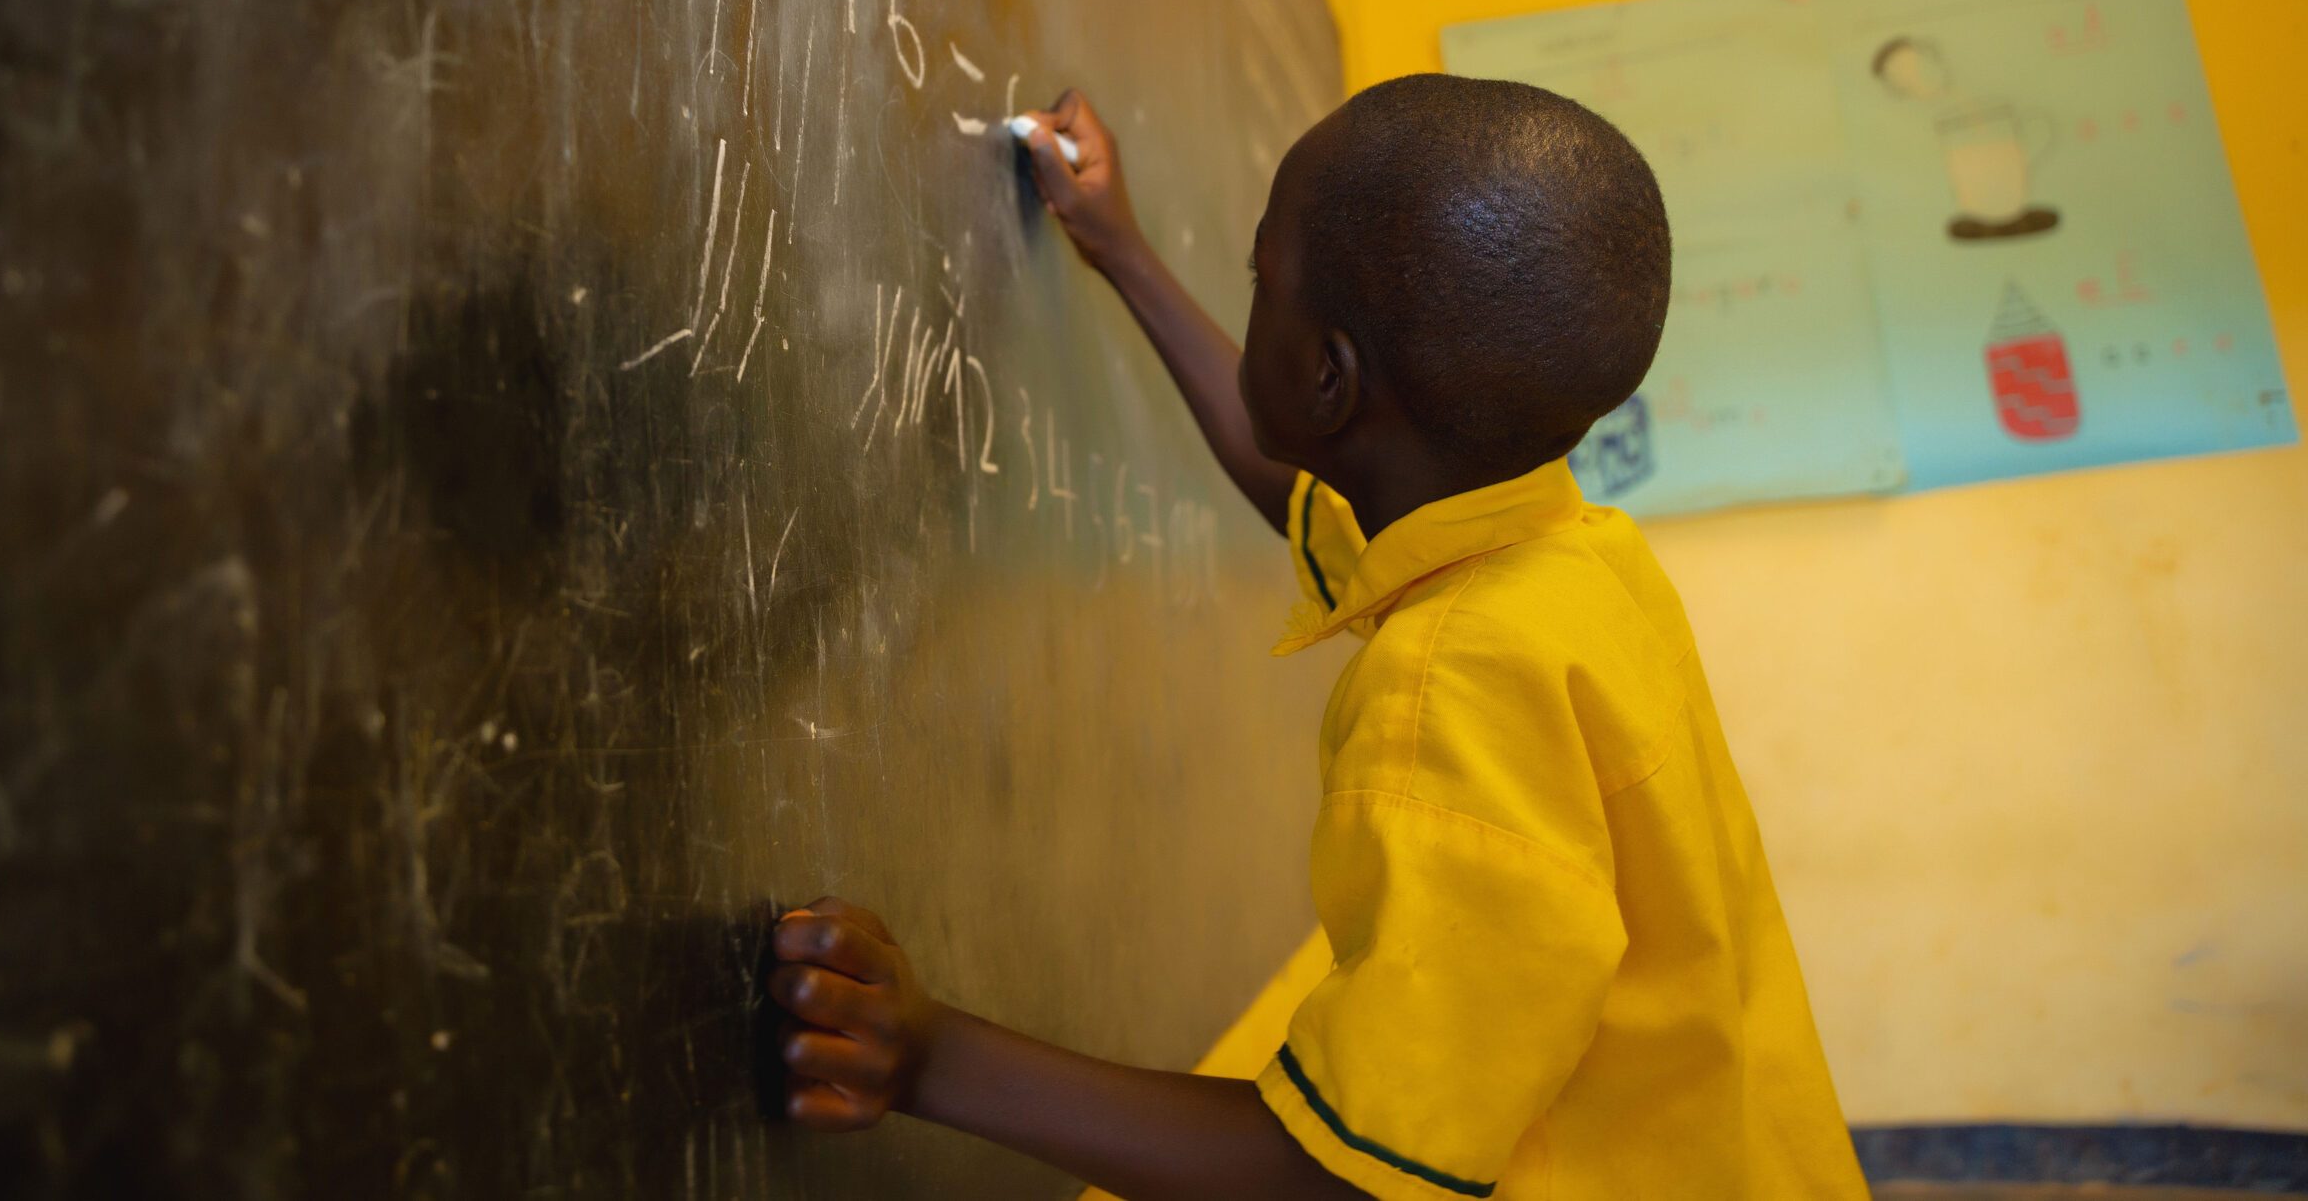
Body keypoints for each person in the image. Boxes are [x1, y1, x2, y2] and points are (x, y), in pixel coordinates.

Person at [768, 76, 1868, 1199]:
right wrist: (1122, 252)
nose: (1256, 292)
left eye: (1261, 278)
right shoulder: (1569, 562)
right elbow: (1304, 485)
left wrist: (930, 1056)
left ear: (1328, 376)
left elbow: (1342, 1178)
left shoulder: (1453, 695)